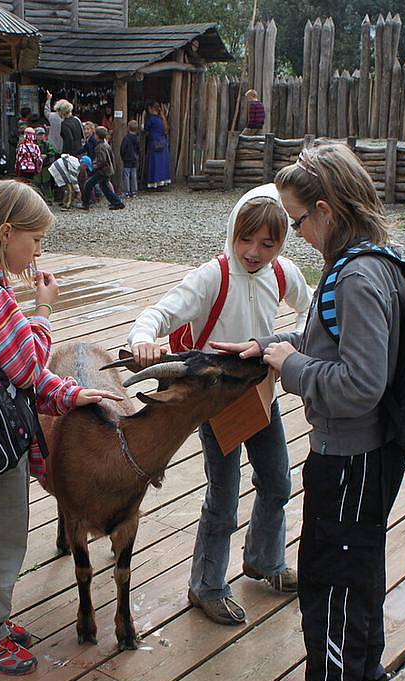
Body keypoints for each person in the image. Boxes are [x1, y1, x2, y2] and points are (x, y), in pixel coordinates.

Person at [214, 143, 405, 681]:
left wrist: (291, 369)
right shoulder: (373, 260)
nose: (296, 232)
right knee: (355, 573)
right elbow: (338, 346)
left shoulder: (356, 277)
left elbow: (360, 384)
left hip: (351, 456)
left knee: (330, 579)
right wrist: (273, 350)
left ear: (326, 209)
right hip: (366, 454)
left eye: (297, 220)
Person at [0, 180, 121, 674]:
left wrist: (70, 394)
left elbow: (15, 370)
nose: (39, 251)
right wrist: (44, 309)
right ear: (5, 233)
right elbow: (26, 366)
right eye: (35, 239)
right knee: (2, 536)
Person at [128, 187, 313, 624]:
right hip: (216, 396)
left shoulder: (283, 274)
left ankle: (264, 560)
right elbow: (160, 314)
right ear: (232, 232)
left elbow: (316, 307)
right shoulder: (213, 277)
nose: (254, 252)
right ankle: (206, 585)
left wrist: (286, 343)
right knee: (224, 495)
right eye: (246, 239)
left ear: (282, 242)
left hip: (260, 388)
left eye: (268, 243)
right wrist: (142, 341)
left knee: (277, 482)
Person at [81, 126, 125, 211]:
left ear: (97, 136)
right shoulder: (106, 144)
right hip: (108, 169)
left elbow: (102, 161)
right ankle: (117, 203)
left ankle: (85, 203)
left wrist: (93, 166)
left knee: (88, 184)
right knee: (104, 187)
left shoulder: (100, 147)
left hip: (103, 171)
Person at [144, 102, 171, 190]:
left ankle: (154, 182)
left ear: (151, 109)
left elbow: (146, 128)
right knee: (162, 163)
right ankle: (163, 182)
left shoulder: (151, 119)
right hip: (163, 142)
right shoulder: (161, 119)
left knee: (154, 163)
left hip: (154, 143)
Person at [34, 127, 57, 204]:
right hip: (36, 166)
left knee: (46, 182)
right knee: (37, 183)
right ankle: (38, 198)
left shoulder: (47, 144)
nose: (41, 136)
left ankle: (49, 198)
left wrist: (46, 155)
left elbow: (52, 152)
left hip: (45, 165)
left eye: (42, 134)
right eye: (39, 135)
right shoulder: (33, 144)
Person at [120, 120, 140, 198]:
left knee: (126, 175)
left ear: (128, 128)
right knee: (134, 174)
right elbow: (138, 148)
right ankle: (134, 191)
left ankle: (127, 191)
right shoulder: (136, 138)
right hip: (134, 158)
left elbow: (123, 148)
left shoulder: (126, 138)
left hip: (127, 158)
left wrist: (123, 156)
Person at [43, 90, 65, 154]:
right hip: (63, 146)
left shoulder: (52, 116)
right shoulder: (68, 118)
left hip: (53, 145)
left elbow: (46, 111)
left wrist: (48, 99)